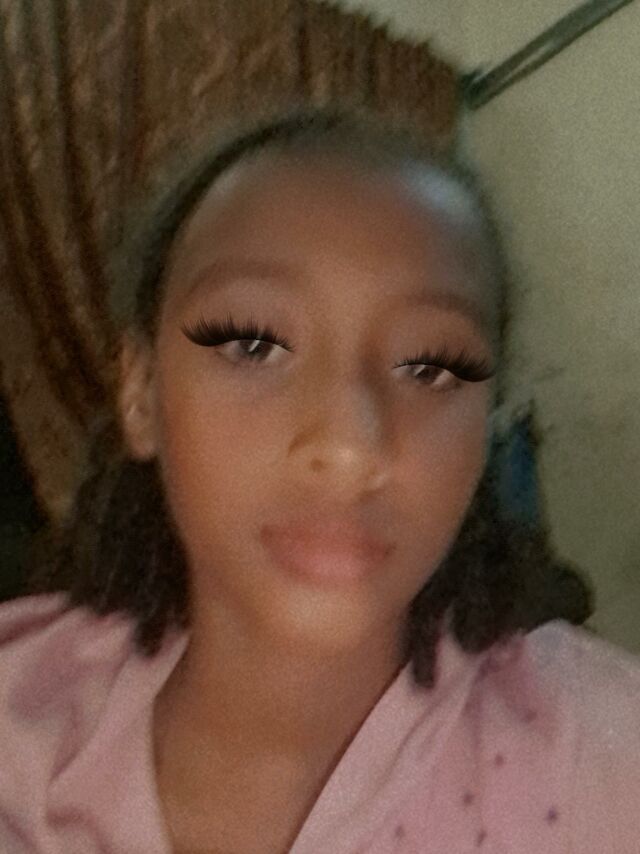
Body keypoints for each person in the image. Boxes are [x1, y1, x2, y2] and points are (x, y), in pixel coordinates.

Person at [1, 107, 638, 854]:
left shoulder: (599, 758)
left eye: (430, 367)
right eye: (252, 344)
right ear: (141, 393)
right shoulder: (19, 724)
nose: (348, 447)